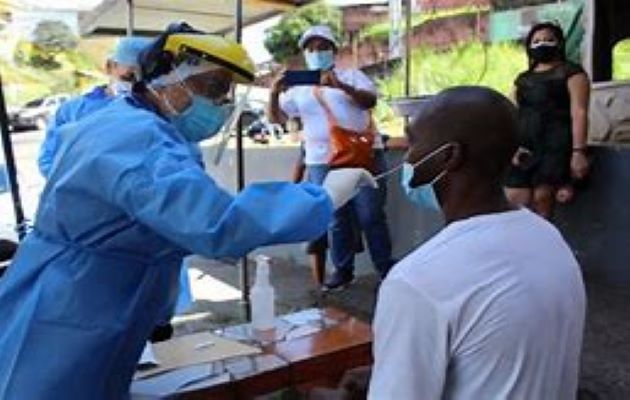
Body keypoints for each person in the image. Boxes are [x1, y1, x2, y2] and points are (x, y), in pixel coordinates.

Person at [0, 22, 375, 399]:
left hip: (92, 300)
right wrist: (322, 198)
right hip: (68, 310)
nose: (222, 104)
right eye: (212, 88)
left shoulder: (140, 127)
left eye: (227, 93)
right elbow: (216, 224)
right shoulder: (136, 139)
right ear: (167, 77)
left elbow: (177, 220)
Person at [369, 86, 586, 399]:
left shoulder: (417, 283)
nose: (407, 157)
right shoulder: (548, 239)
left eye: (414, 142)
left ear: (449, 156)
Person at [269, 25, 394, 291]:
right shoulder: (298, 88)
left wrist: (341, 86)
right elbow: (278, 119)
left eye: (323, 47)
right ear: (304, 54)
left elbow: (369, 101)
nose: (317, 52)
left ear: (334, 51)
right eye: (311, 48)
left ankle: (385, 269)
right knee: (335, 217)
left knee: (370, 215)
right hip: (320, 159)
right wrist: (273, 92)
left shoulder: (352, 75)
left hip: (361, 154)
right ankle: (343, 271)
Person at [505, 22, 591, 219]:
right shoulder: (523, 79)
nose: (542, 44)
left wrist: (579, 152)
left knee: (542, 198)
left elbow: (579, 112)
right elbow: (511, 111)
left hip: (556, 145)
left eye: (548, 40)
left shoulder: (572, 73)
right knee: (515, 198)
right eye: (536, 41)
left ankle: (541, 246)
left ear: (560, 43)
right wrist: (512, 145)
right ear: (528, 46)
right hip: (526, 145)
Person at [37, 36, 152, 178]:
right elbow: (48, 160)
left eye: (143, 79)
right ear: (110, 67)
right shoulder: (72, 111)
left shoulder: (151, 111)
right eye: (129, 76)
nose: (134, 84)